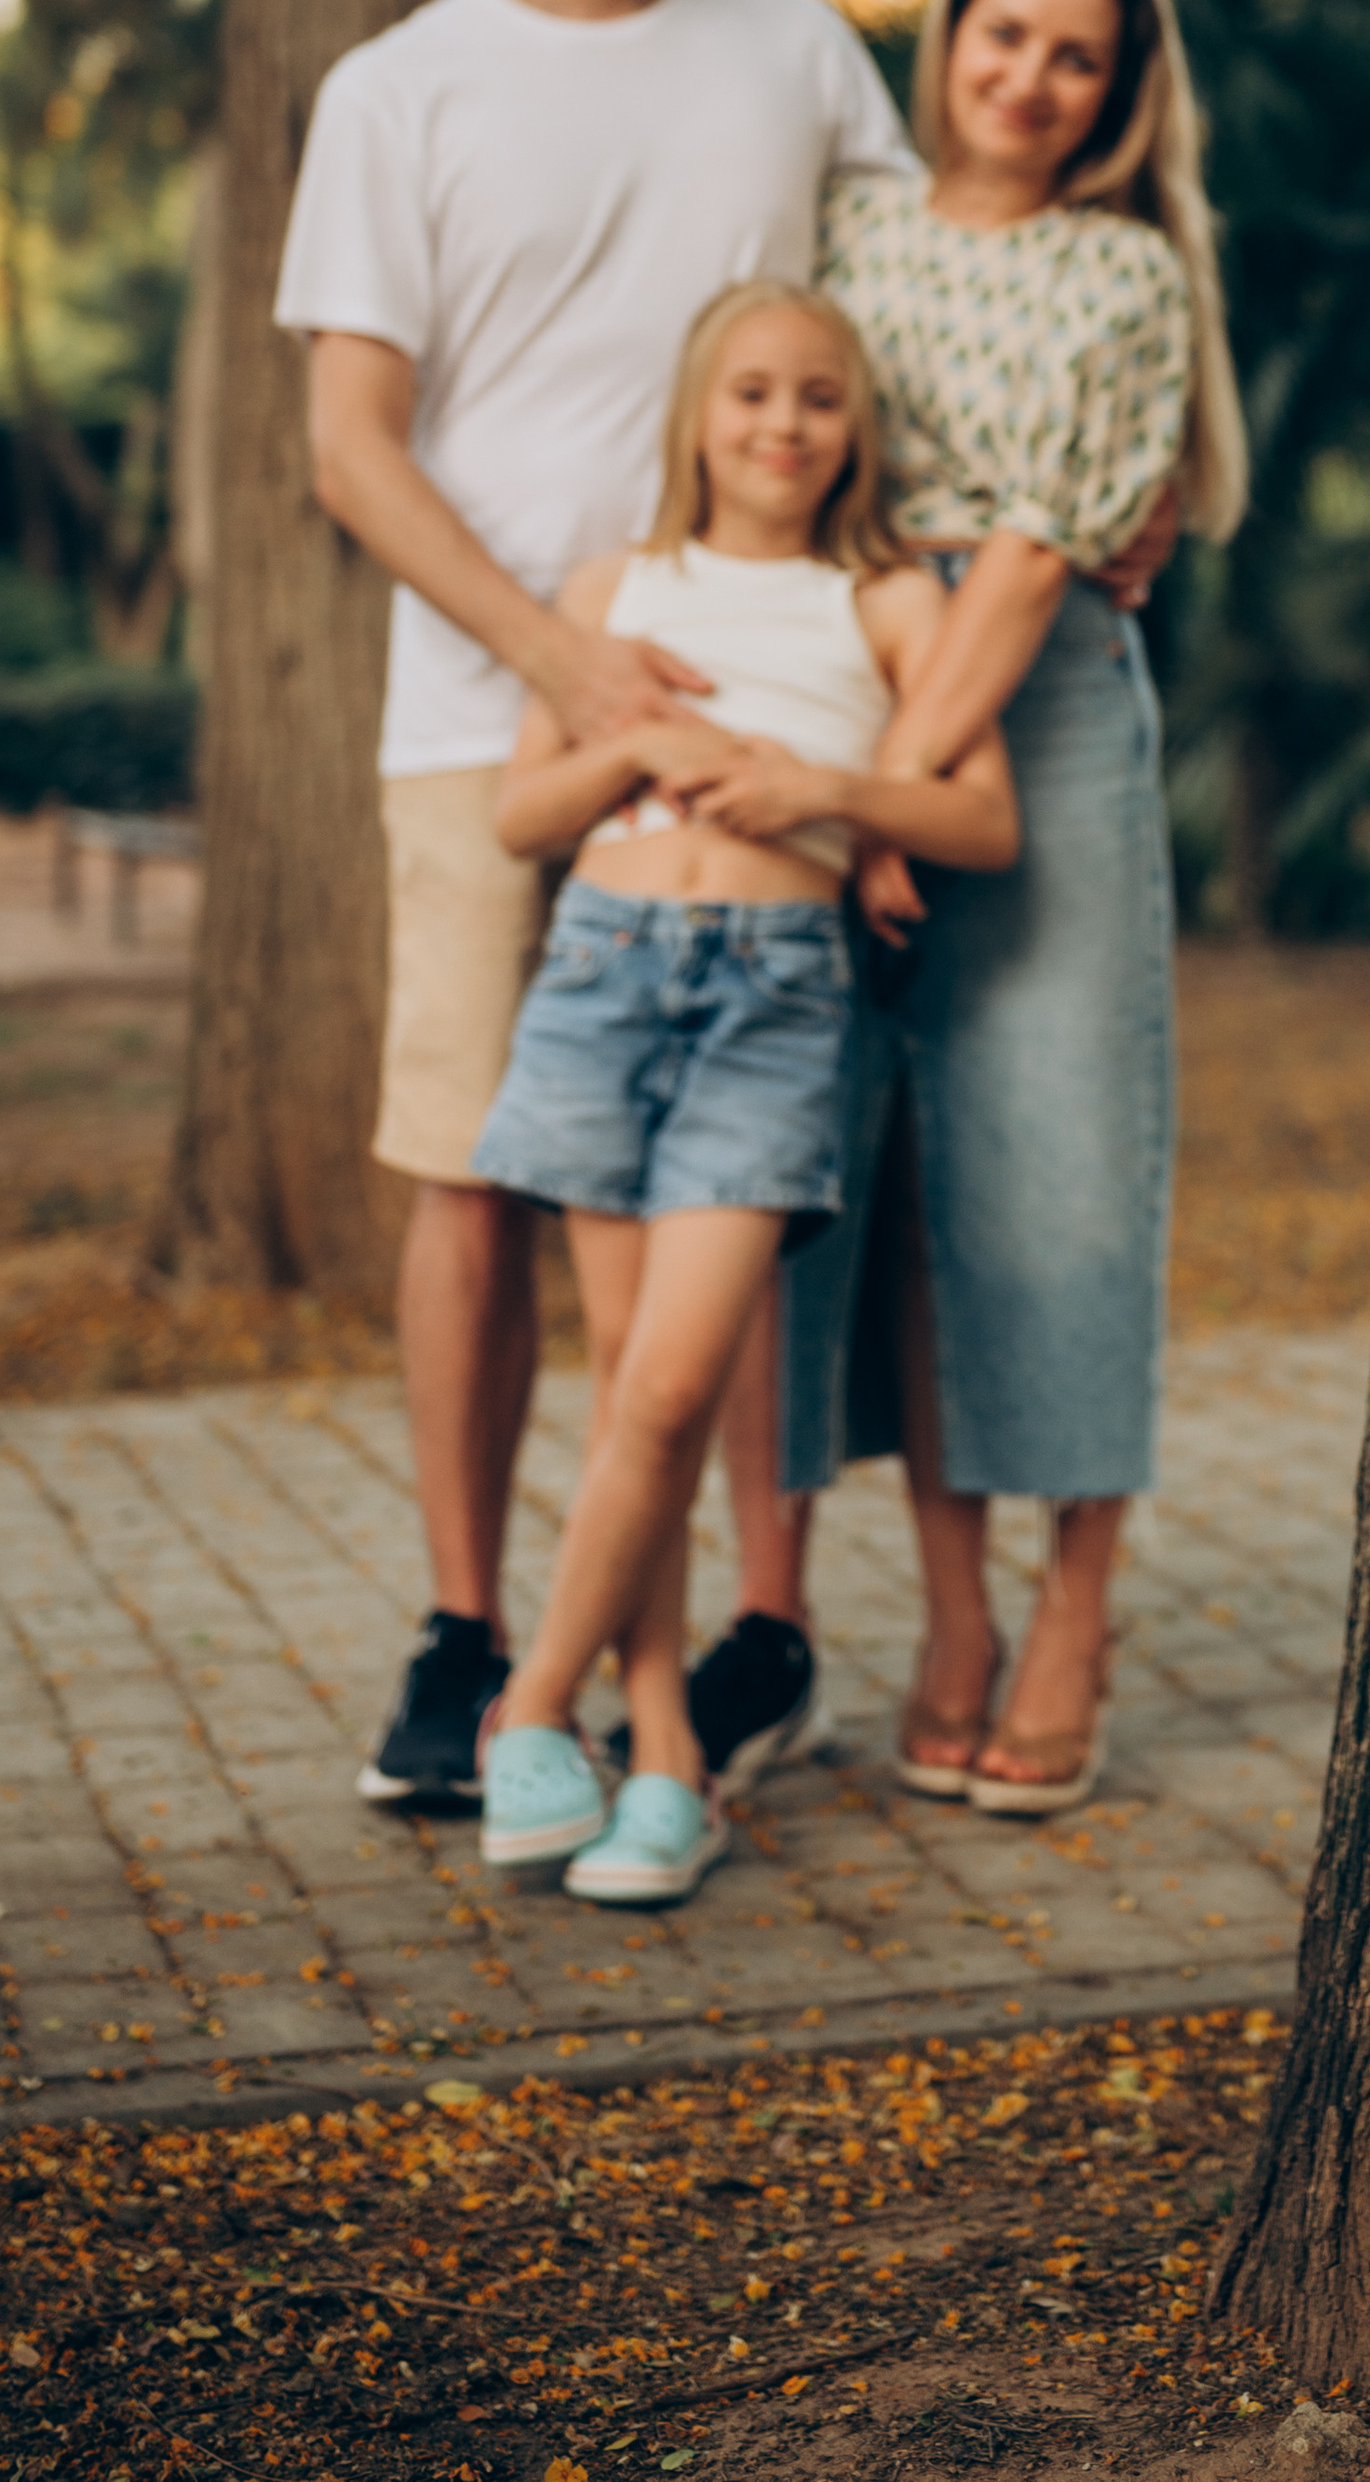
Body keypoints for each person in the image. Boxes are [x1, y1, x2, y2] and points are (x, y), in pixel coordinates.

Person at [273, 0, 916, 1812]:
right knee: (468, 1171)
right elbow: (353, 446)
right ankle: (466, 1640)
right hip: (490, 714)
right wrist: (573, 671)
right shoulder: (400, 87)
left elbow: (901, 341)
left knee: (740, 1181)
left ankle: (759, 1633)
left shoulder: (797, 51)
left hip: (779, 741)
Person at [765, 0, 1248, 1814]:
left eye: (1077, 56)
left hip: (1026, 697)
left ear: (1120, 94)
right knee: (895, 1180)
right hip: (864, 661)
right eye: (1005, 35)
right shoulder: (849, 237)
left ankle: (1076, 1610)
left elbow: (1042, 549)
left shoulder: (1124, 273)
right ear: (947, 36)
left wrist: (910, 782)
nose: (1030, 80)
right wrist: (871, 772)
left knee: (1058, 1163)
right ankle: (948, 1613)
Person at [470, 281, 1018, 1902]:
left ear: (855, 431)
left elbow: (983, 819)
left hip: (777, 1003)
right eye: (755, 395)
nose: (784, 425)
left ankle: (529, 1706)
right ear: (699, 415)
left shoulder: (889, 602)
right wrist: (638, 748)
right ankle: (667, 1765)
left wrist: (817, 790)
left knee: (668, 1391)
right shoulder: (615, 586)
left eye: (820, 400)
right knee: (630, 1380)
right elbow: (522, 815)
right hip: (601, 978)